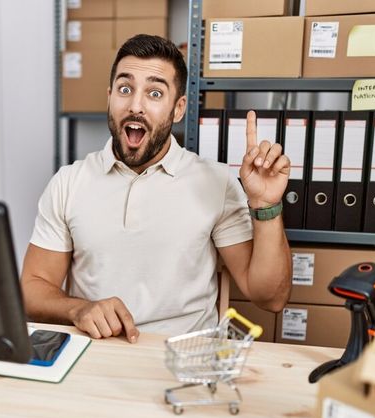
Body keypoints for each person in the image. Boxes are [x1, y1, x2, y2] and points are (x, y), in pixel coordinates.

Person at [21, 34, 292, 343]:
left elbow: (270, 298)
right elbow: (32, 290)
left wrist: (266, 204)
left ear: (178, 109)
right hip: (94, 355)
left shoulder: (216, 182)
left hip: (183, 361)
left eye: (154, 93)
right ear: (109, 97)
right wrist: (79, 309)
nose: (135, 105)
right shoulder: (68, 182)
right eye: (125, 89)